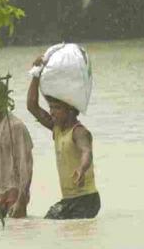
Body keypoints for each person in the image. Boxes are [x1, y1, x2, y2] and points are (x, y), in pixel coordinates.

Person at [26, 52, 100, 219]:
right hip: (68, 199)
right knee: (50, 222)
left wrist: (81, 169)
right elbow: (32, 106)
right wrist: (36, 74)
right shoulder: (56, 128)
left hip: (87, 199)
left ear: (70, 109)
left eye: (57, 109)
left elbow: (86, 151)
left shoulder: (79, 131)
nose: (51, 113)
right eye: (51, 108)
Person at [0, 95, 34, 218]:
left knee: (17, 233)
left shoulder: (16, 126)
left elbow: (26, 166)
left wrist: (21, 200)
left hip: (14, 193)